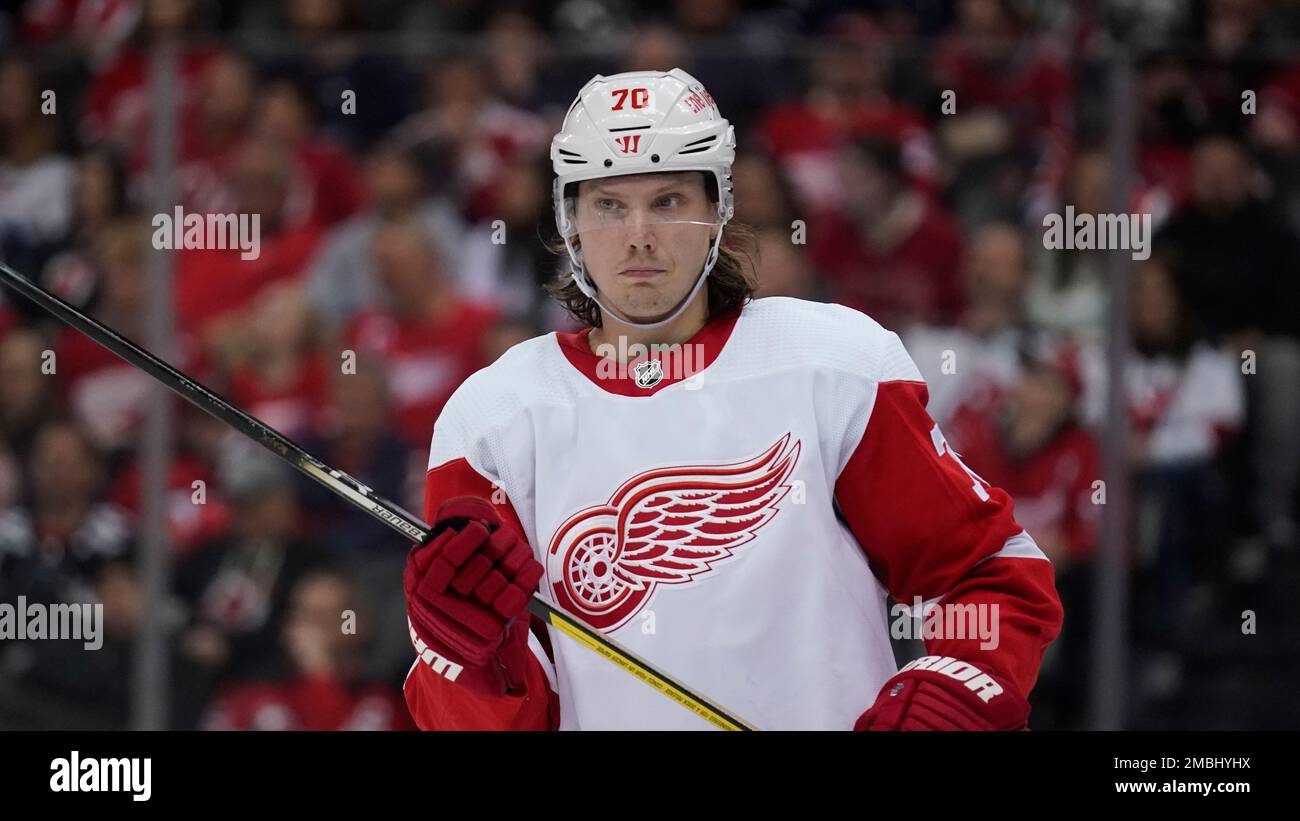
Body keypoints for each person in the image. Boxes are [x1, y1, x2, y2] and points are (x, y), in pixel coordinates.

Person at [401, 68, 1063, 730]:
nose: (638, 236)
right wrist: (465, 654)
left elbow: (990, 575)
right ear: (569, 217)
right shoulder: (491, 420)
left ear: (719, 206)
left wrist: (960, 686)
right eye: (607, 204)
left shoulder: (833, 367)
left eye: (666, 201)